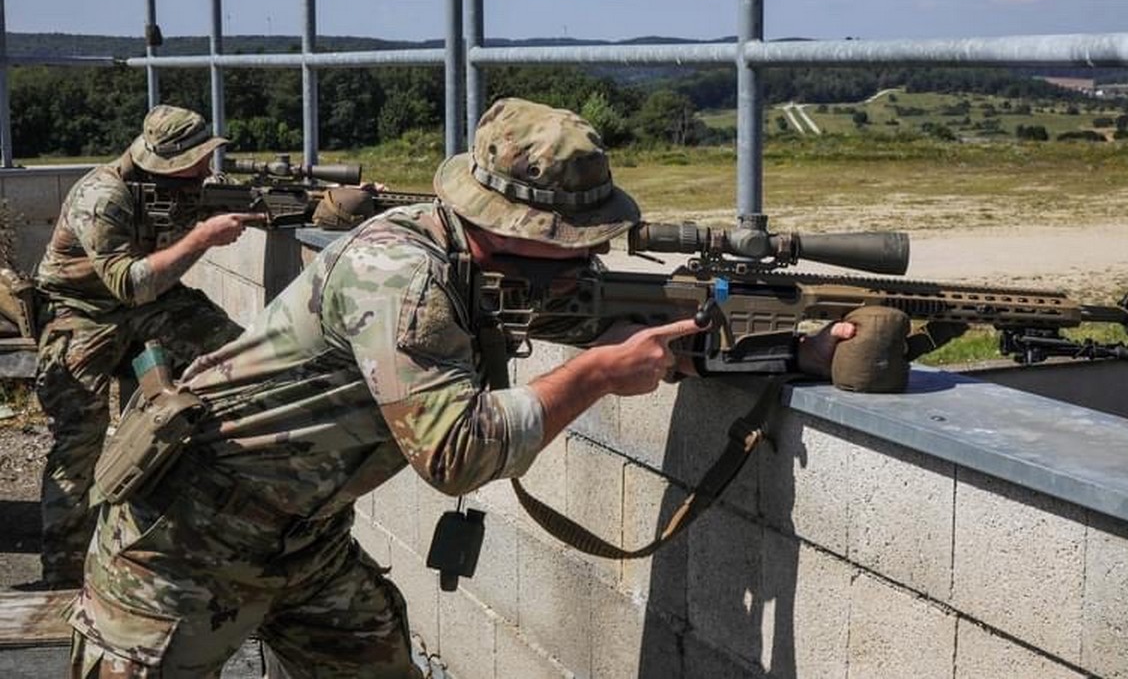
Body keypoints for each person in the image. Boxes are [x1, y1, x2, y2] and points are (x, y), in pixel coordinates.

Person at [66, 98, 858, 678]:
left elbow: (619, 325)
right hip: (178, 548)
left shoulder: (478, 264)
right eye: (567, 245)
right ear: (509, 224)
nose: (579, 263)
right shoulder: (400, 277)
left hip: (300, 542)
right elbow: (456, 455)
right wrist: (591, 377)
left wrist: (798, 349)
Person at [33, 104, 259, 588]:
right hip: (82, 312)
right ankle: (65, 574)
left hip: (149, 303)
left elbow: (272, 204)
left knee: (241, 355)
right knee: (79, 440)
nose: (207, 169)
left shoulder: (184, 187)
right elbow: (128, 284)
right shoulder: (103, 196)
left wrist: (343, 204)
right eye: (198, 160)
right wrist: (201, 237)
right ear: (169, 161)